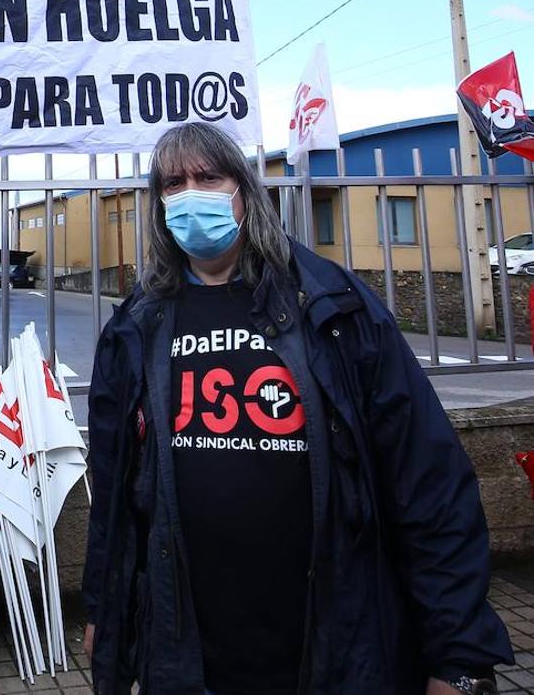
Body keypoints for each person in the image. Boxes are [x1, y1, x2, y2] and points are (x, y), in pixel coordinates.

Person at [82, 122, 510, 695]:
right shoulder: (137, 326)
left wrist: (457, 651)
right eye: (173, 183)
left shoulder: (332, 309)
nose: (190, 195)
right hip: (190, 651)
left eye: (208, 177)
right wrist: (102, 609)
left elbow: (427, 480)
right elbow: (113, 493)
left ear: (244, 190)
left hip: (332, 640)